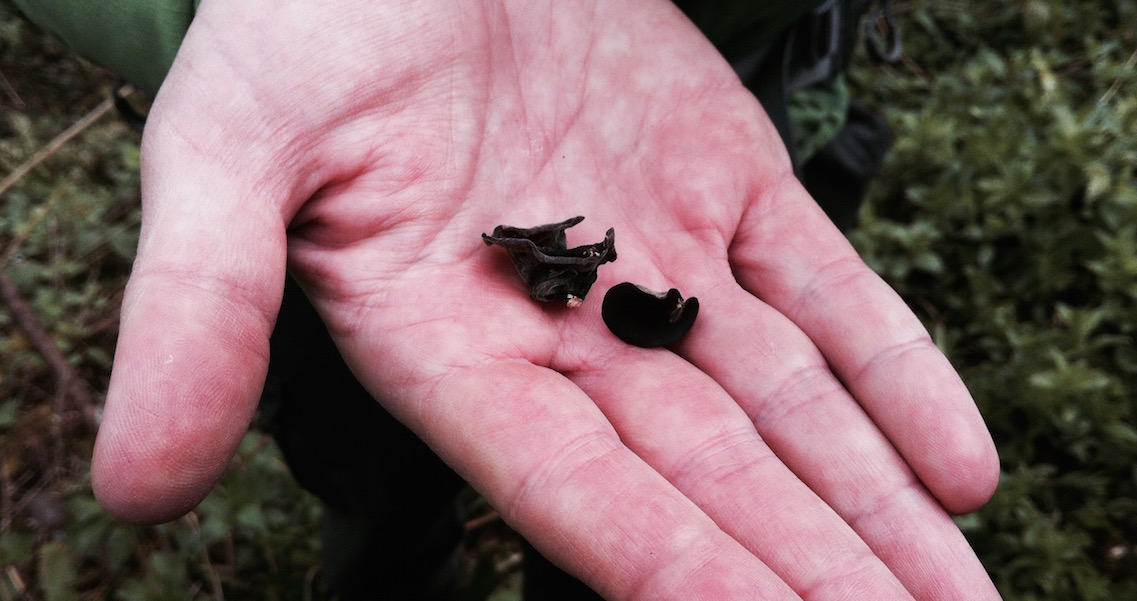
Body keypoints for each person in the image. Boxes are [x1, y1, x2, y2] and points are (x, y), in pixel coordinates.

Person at [8, 1, 1001, 599]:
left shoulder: (600, 272)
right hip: (363, 203)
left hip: (736, 89)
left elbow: (611, 292)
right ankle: (392, 571)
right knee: (376, 479)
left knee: (628, 513)